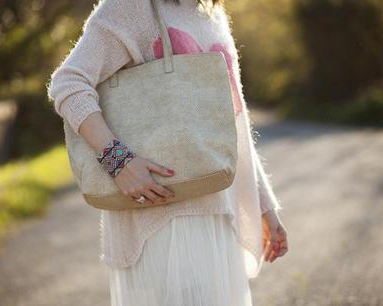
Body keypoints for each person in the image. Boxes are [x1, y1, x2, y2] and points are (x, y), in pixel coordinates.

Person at [47, 0, 288, 305]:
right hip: (158, 221)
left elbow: (235, 125)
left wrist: (264, 206)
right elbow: (69, 83)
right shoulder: (129, 7)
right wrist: (118, 162)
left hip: (217, 215)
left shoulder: (211, 12)